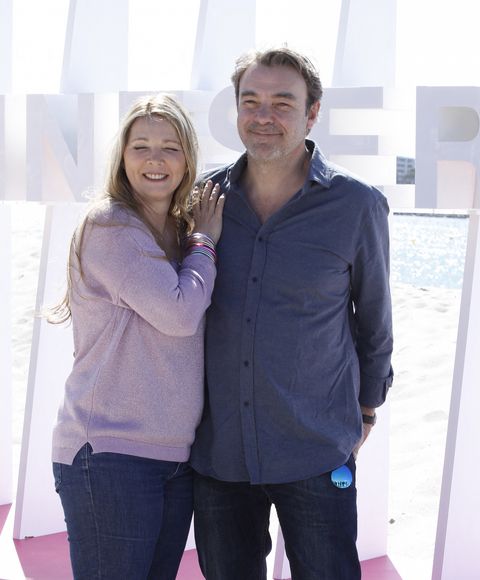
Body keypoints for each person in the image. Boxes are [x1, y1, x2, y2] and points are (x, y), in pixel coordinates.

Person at [190, 47, 394, 579]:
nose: (264, 116)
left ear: (312, 112)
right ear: (235, 110)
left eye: (283, 102)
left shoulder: (357, 205)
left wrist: (367, 408)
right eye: (251, 101)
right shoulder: (200, 198)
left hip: (315, 448)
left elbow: (374, 319)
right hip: (220, 451)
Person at [50, 93, 224, 579]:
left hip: (173, 455)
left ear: (187, 156)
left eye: (169, 147)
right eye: (140, 146)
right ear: (122, 157)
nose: (155, 159)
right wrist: (206, 242)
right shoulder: (111, 226)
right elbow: (178, 314)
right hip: (109, 455)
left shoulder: (178, 230)